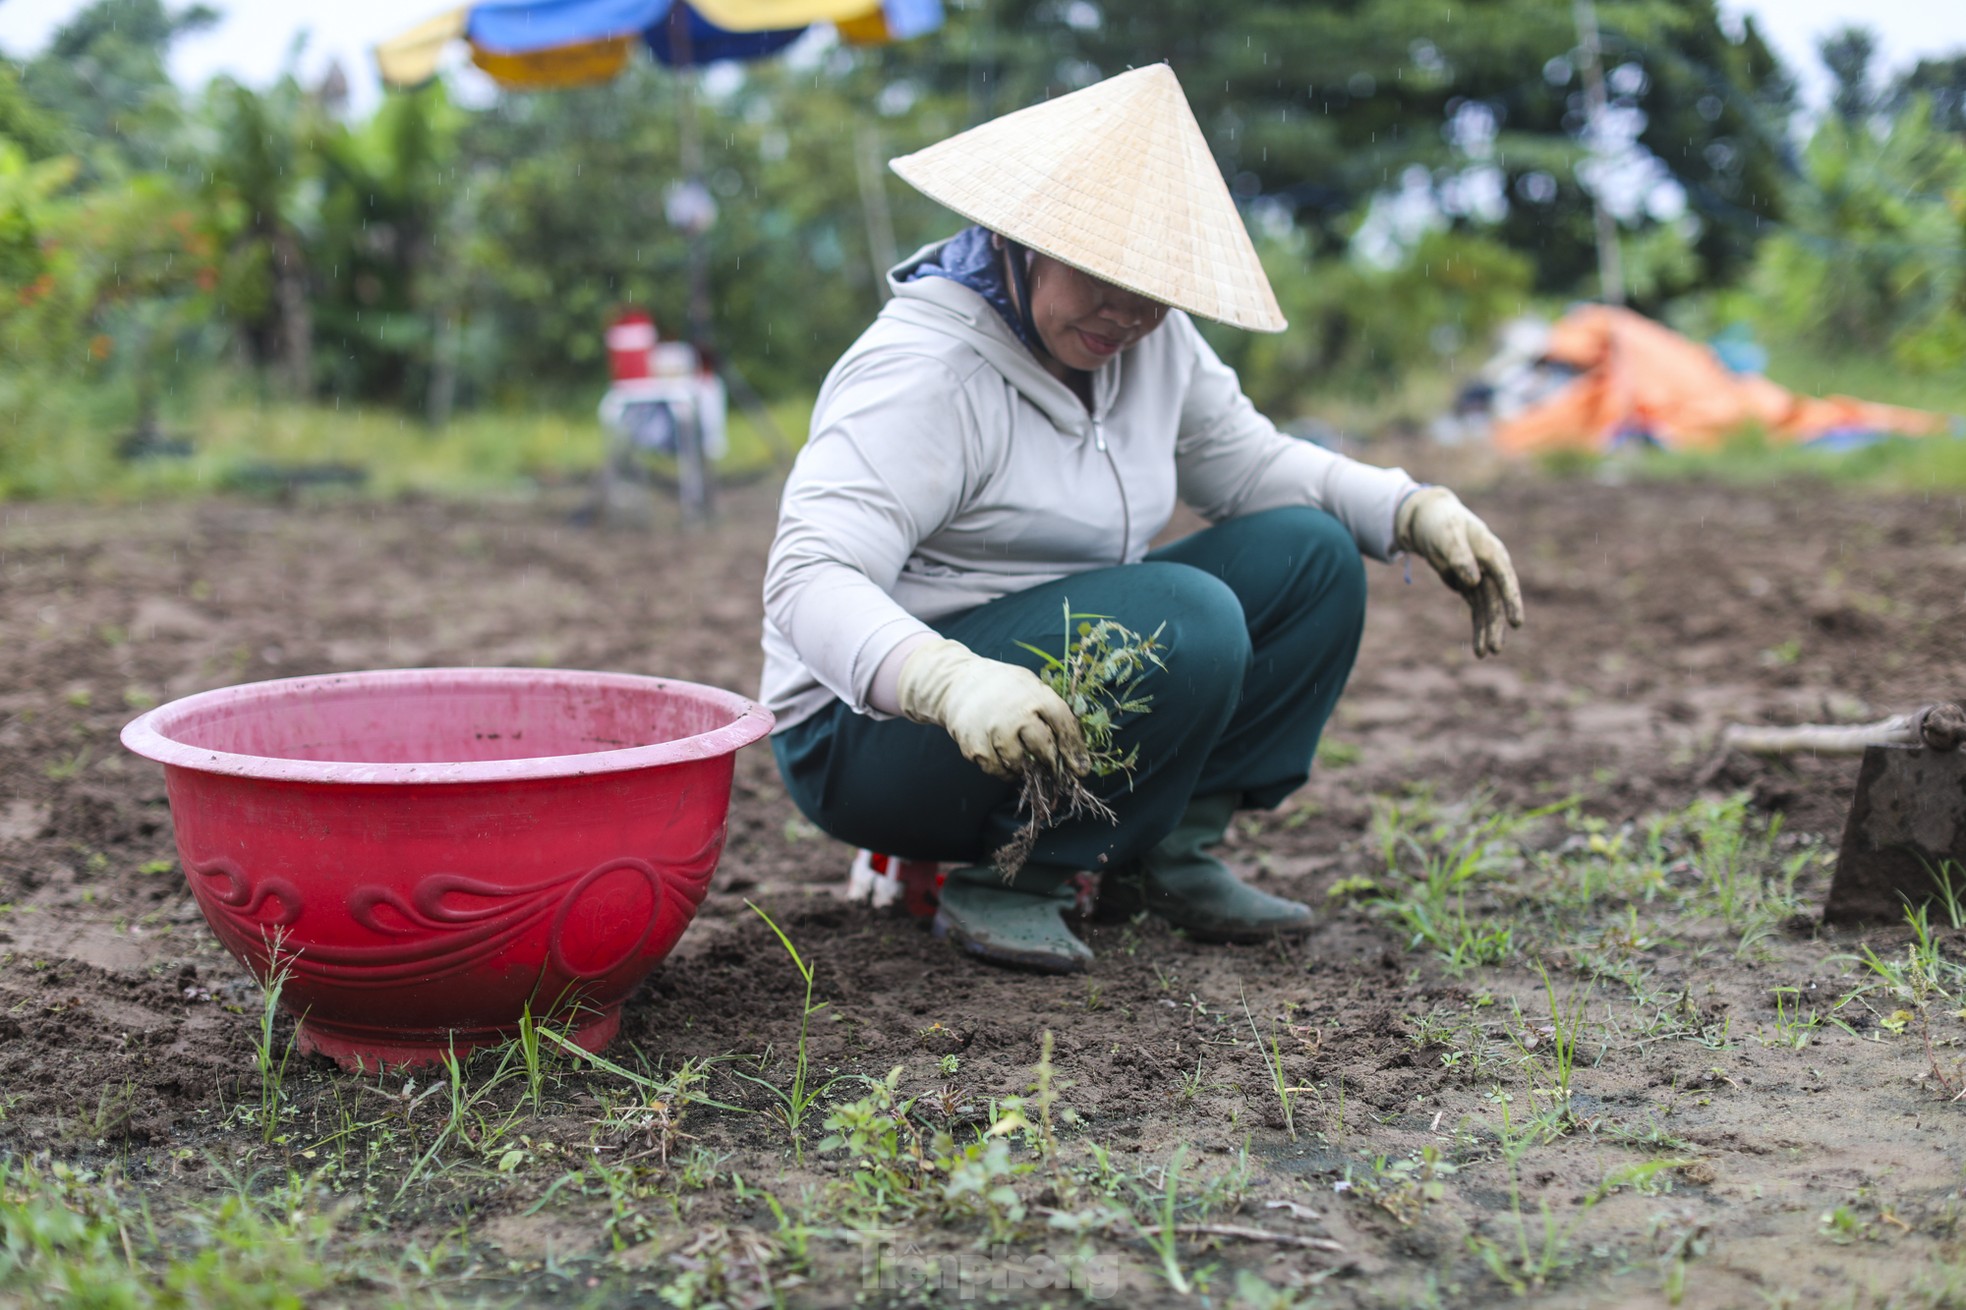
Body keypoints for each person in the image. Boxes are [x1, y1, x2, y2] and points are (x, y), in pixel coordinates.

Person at [759, 65, 1523, 973]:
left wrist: (1406, 508)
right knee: (1186, 615)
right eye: (1104, 279)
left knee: (1311, 553)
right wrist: (946, 680)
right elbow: (807, 578)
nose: (1128, 315)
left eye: (1155, 290)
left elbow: (1251, 466)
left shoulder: (1148, 346)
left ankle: (1164, 856)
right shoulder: (928, 375)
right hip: (872, 735)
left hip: (1043, 666)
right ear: (1026, 238)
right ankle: (1015, 877)